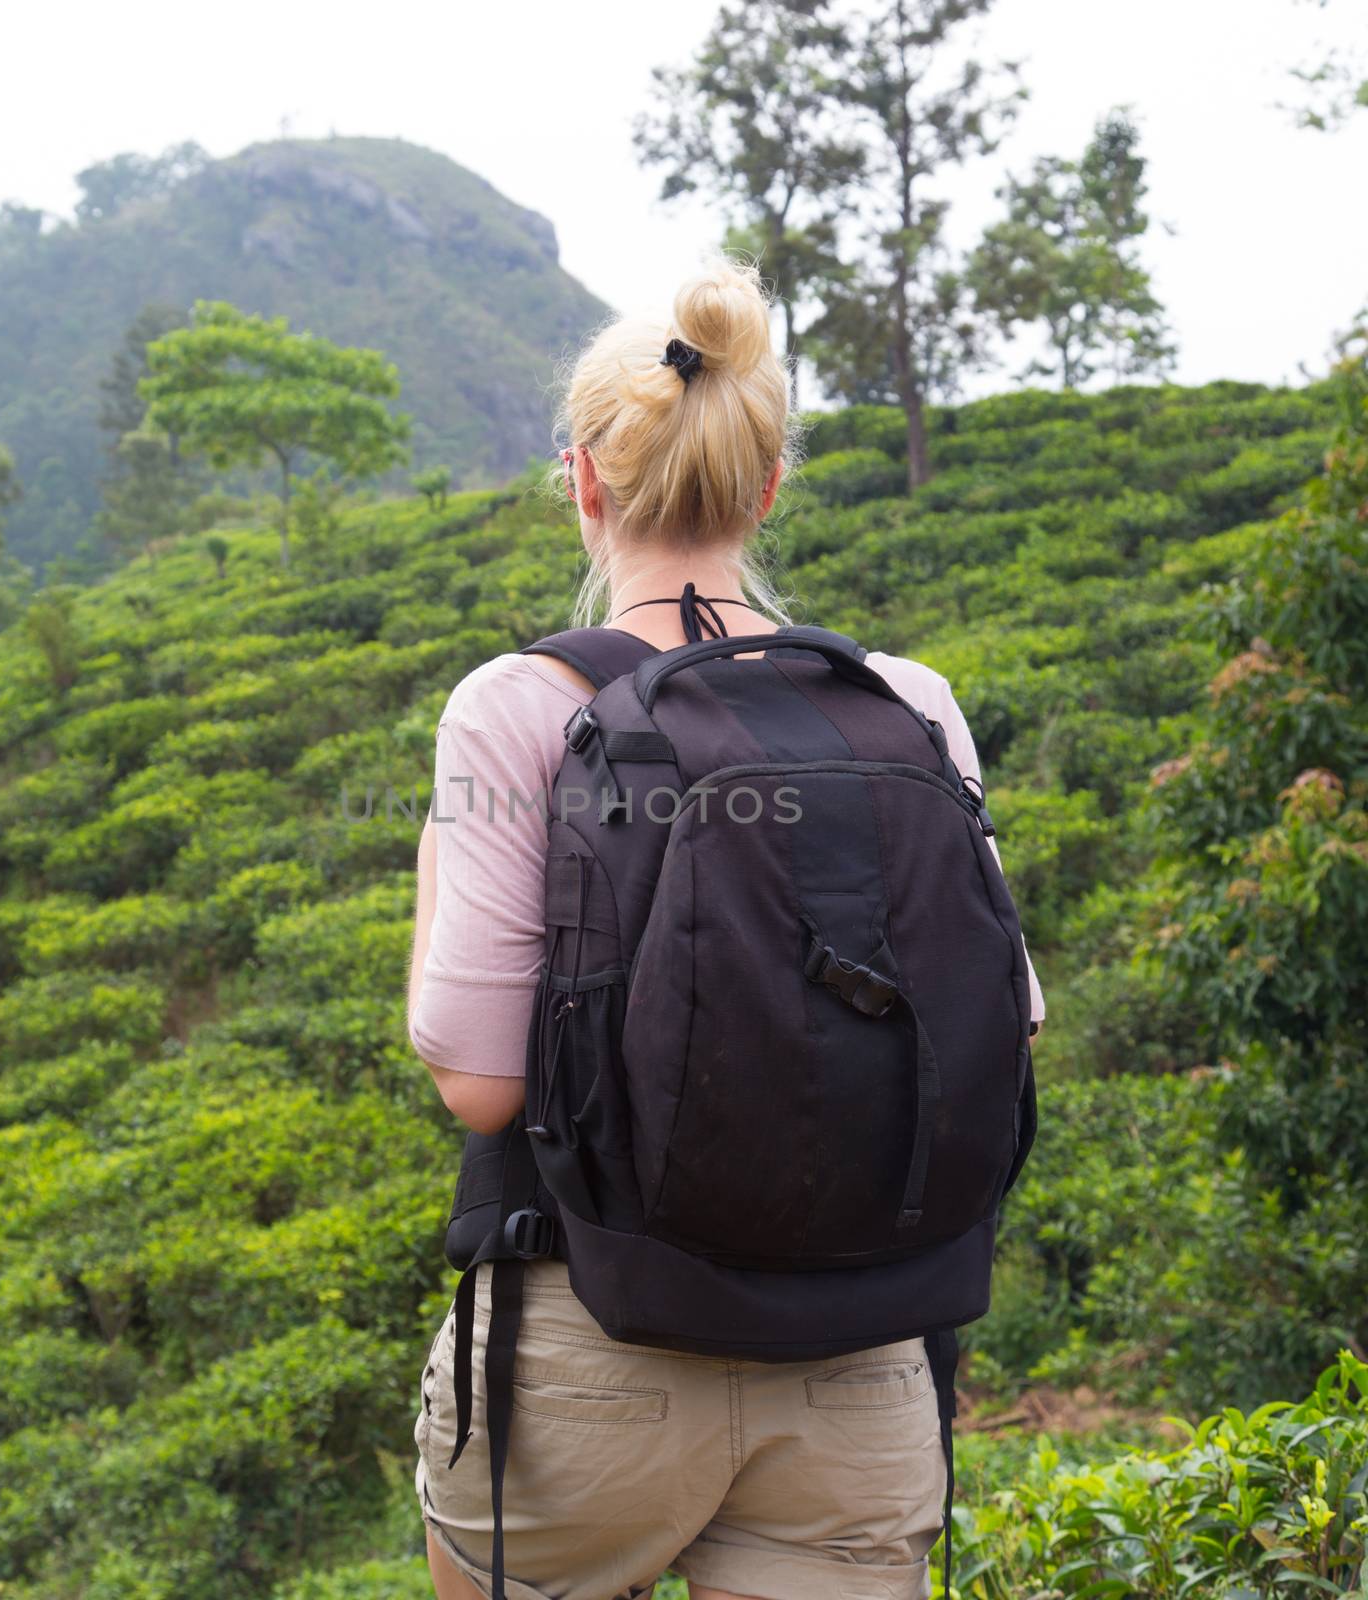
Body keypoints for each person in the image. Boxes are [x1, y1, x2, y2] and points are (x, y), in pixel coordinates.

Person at [404, 254, 1044, 1600]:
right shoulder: (908, 701)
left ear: (582, 480)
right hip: (866, 1361)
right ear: (765, 486)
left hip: (592, 1350)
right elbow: (1006, 1019)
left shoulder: (515, 707)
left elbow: (482, 1086)